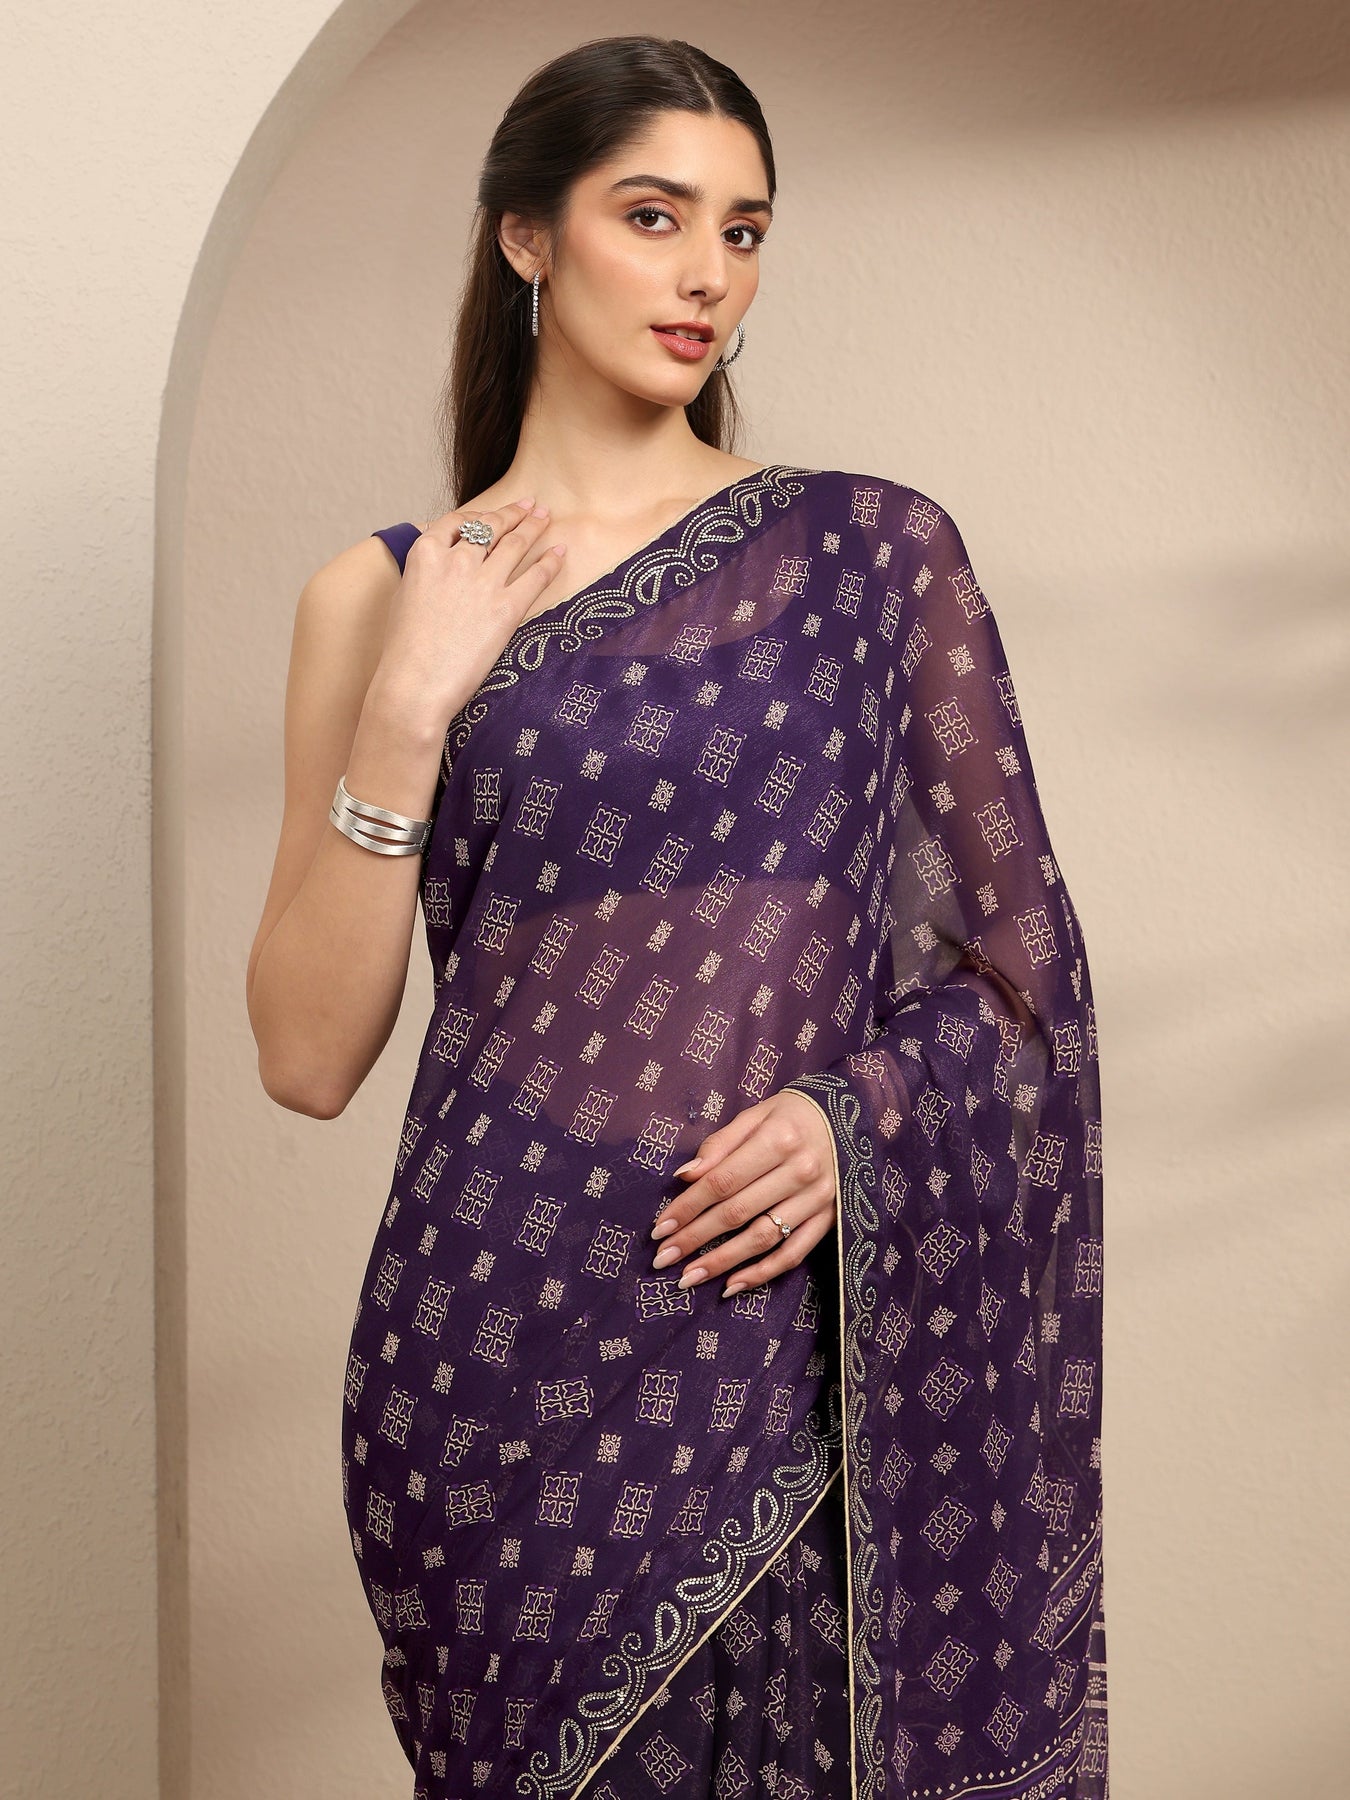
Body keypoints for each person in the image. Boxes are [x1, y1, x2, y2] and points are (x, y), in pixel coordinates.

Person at [246, 32, 1108, 1800]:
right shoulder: (380, 594)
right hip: (488, 1354)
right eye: (652, 216)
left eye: (743, 228)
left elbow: (1020, 979)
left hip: (775, 1323)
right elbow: (307, 1056)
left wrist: (855, 1118)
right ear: (526, 236)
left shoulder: (870, 557)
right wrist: (409, 702)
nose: (707, 271)